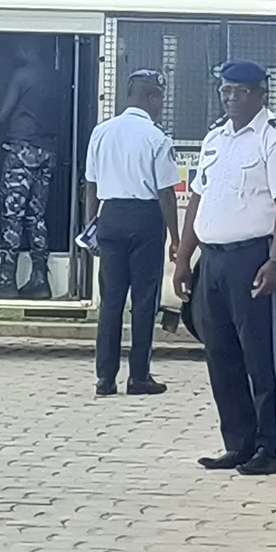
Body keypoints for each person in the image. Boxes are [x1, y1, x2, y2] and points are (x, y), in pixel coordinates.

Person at [173, 60, 276, 477]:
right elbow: (198, 199)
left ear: (260, 93)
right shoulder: (216, 139)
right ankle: (239, 442)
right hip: (213, 260)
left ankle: (271, 447)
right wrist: (183, 258)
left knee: (262, 358)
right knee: (222, 356)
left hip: (254, 257)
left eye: (240, 92)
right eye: (226, 91)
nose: (231, 98)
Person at [84, 69, 180, 397]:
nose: (160, 106)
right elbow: (166, 193)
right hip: (144, 219)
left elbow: (91, 185)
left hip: (109, 216)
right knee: (143, 301)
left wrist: (91, 225)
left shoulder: (101, 132)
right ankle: (139, 376)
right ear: (152, 97)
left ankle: (104, 378)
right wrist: (176, 238)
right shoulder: (156, 137)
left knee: (110, 301)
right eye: (159, 99)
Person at [0, 38, 62, 300]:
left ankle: (6, 280)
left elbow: (3, 113)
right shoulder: (55, 78)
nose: (15, 50)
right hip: (48, 152)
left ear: (32, 47)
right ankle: (39, 279)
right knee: (36, 217)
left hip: (22, 150)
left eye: (20, 46)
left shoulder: (22, 75)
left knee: (12, 216)